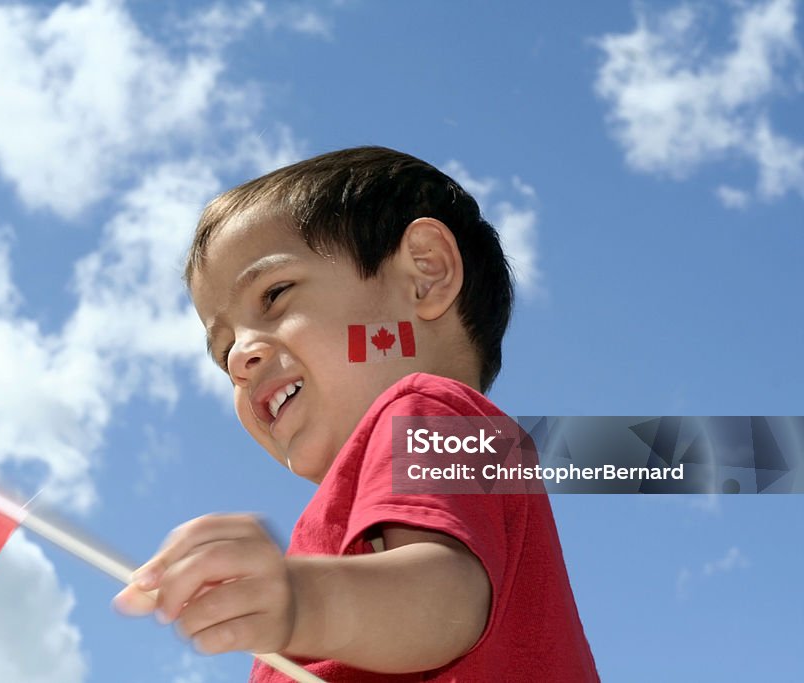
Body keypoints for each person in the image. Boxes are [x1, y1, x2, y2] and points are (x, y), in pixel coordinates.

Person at [114, 146, 598, 681]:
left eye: (274, 295)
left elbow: (444, 602)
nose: (238, 358)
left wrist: (301, 601)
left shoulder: (430, 411)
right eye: (223, 350)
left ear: (426, 274)